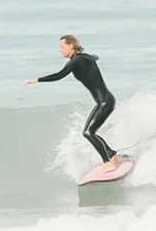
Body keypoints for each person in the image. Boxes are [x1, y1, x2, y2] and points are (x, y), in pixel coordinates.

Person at [24, 34, 122, 172]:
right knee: (90, 132)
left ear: (70, 46)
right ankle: (113, 157)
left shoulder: (75, 61)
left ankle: (108, 163)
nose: (60, 50)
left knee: (89, 133)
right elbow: (95, 57)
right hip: (106, 100)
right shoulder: (84, 57)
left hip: (104, 102)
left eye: (62, 47)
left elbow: (59, 75)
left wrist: (36, 80)